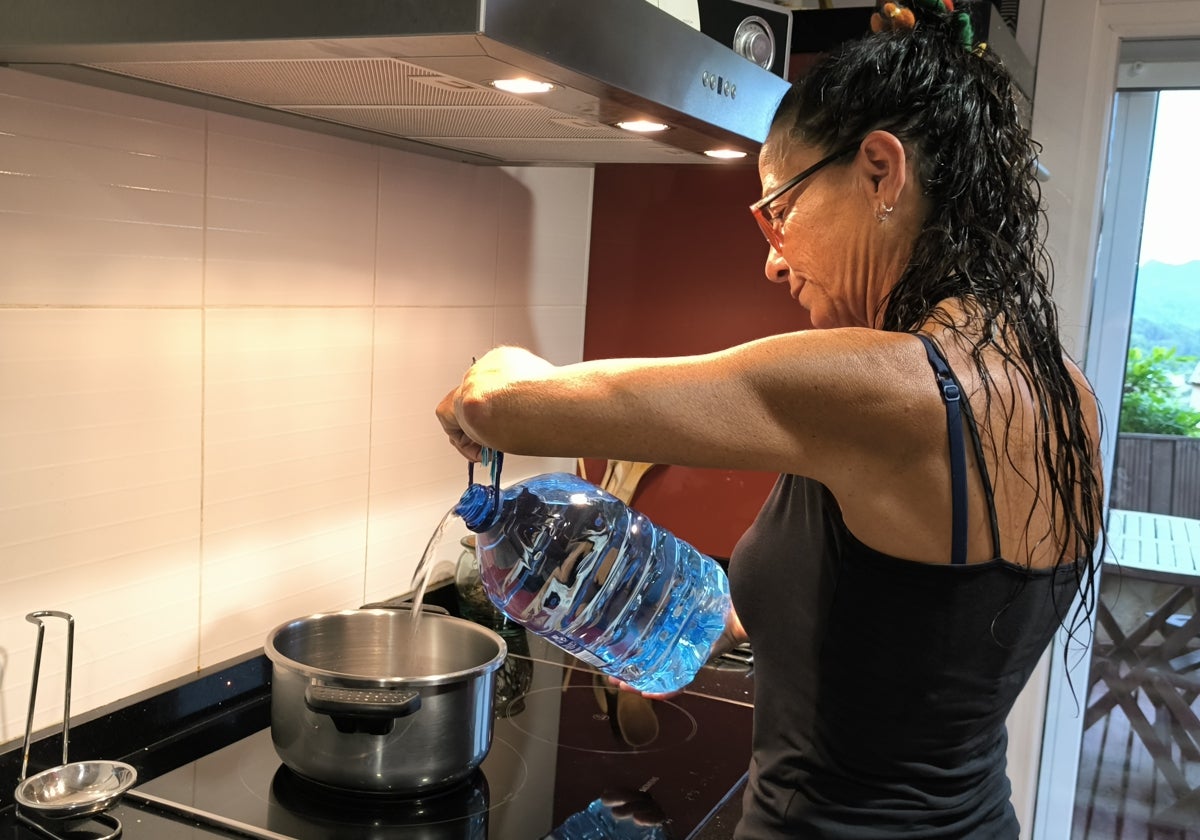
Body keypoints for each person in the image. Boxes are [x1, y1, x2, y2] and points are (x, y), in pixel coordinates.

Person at [436, 0, 1105, 836]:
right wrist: (685, 614)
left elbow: (507, 404)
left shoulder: (880, 390)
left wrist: (478, 381)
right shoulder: (1065, 389)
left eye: (779, 209)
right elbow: (926, 637)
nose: (770, 254)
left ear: (879, 171)